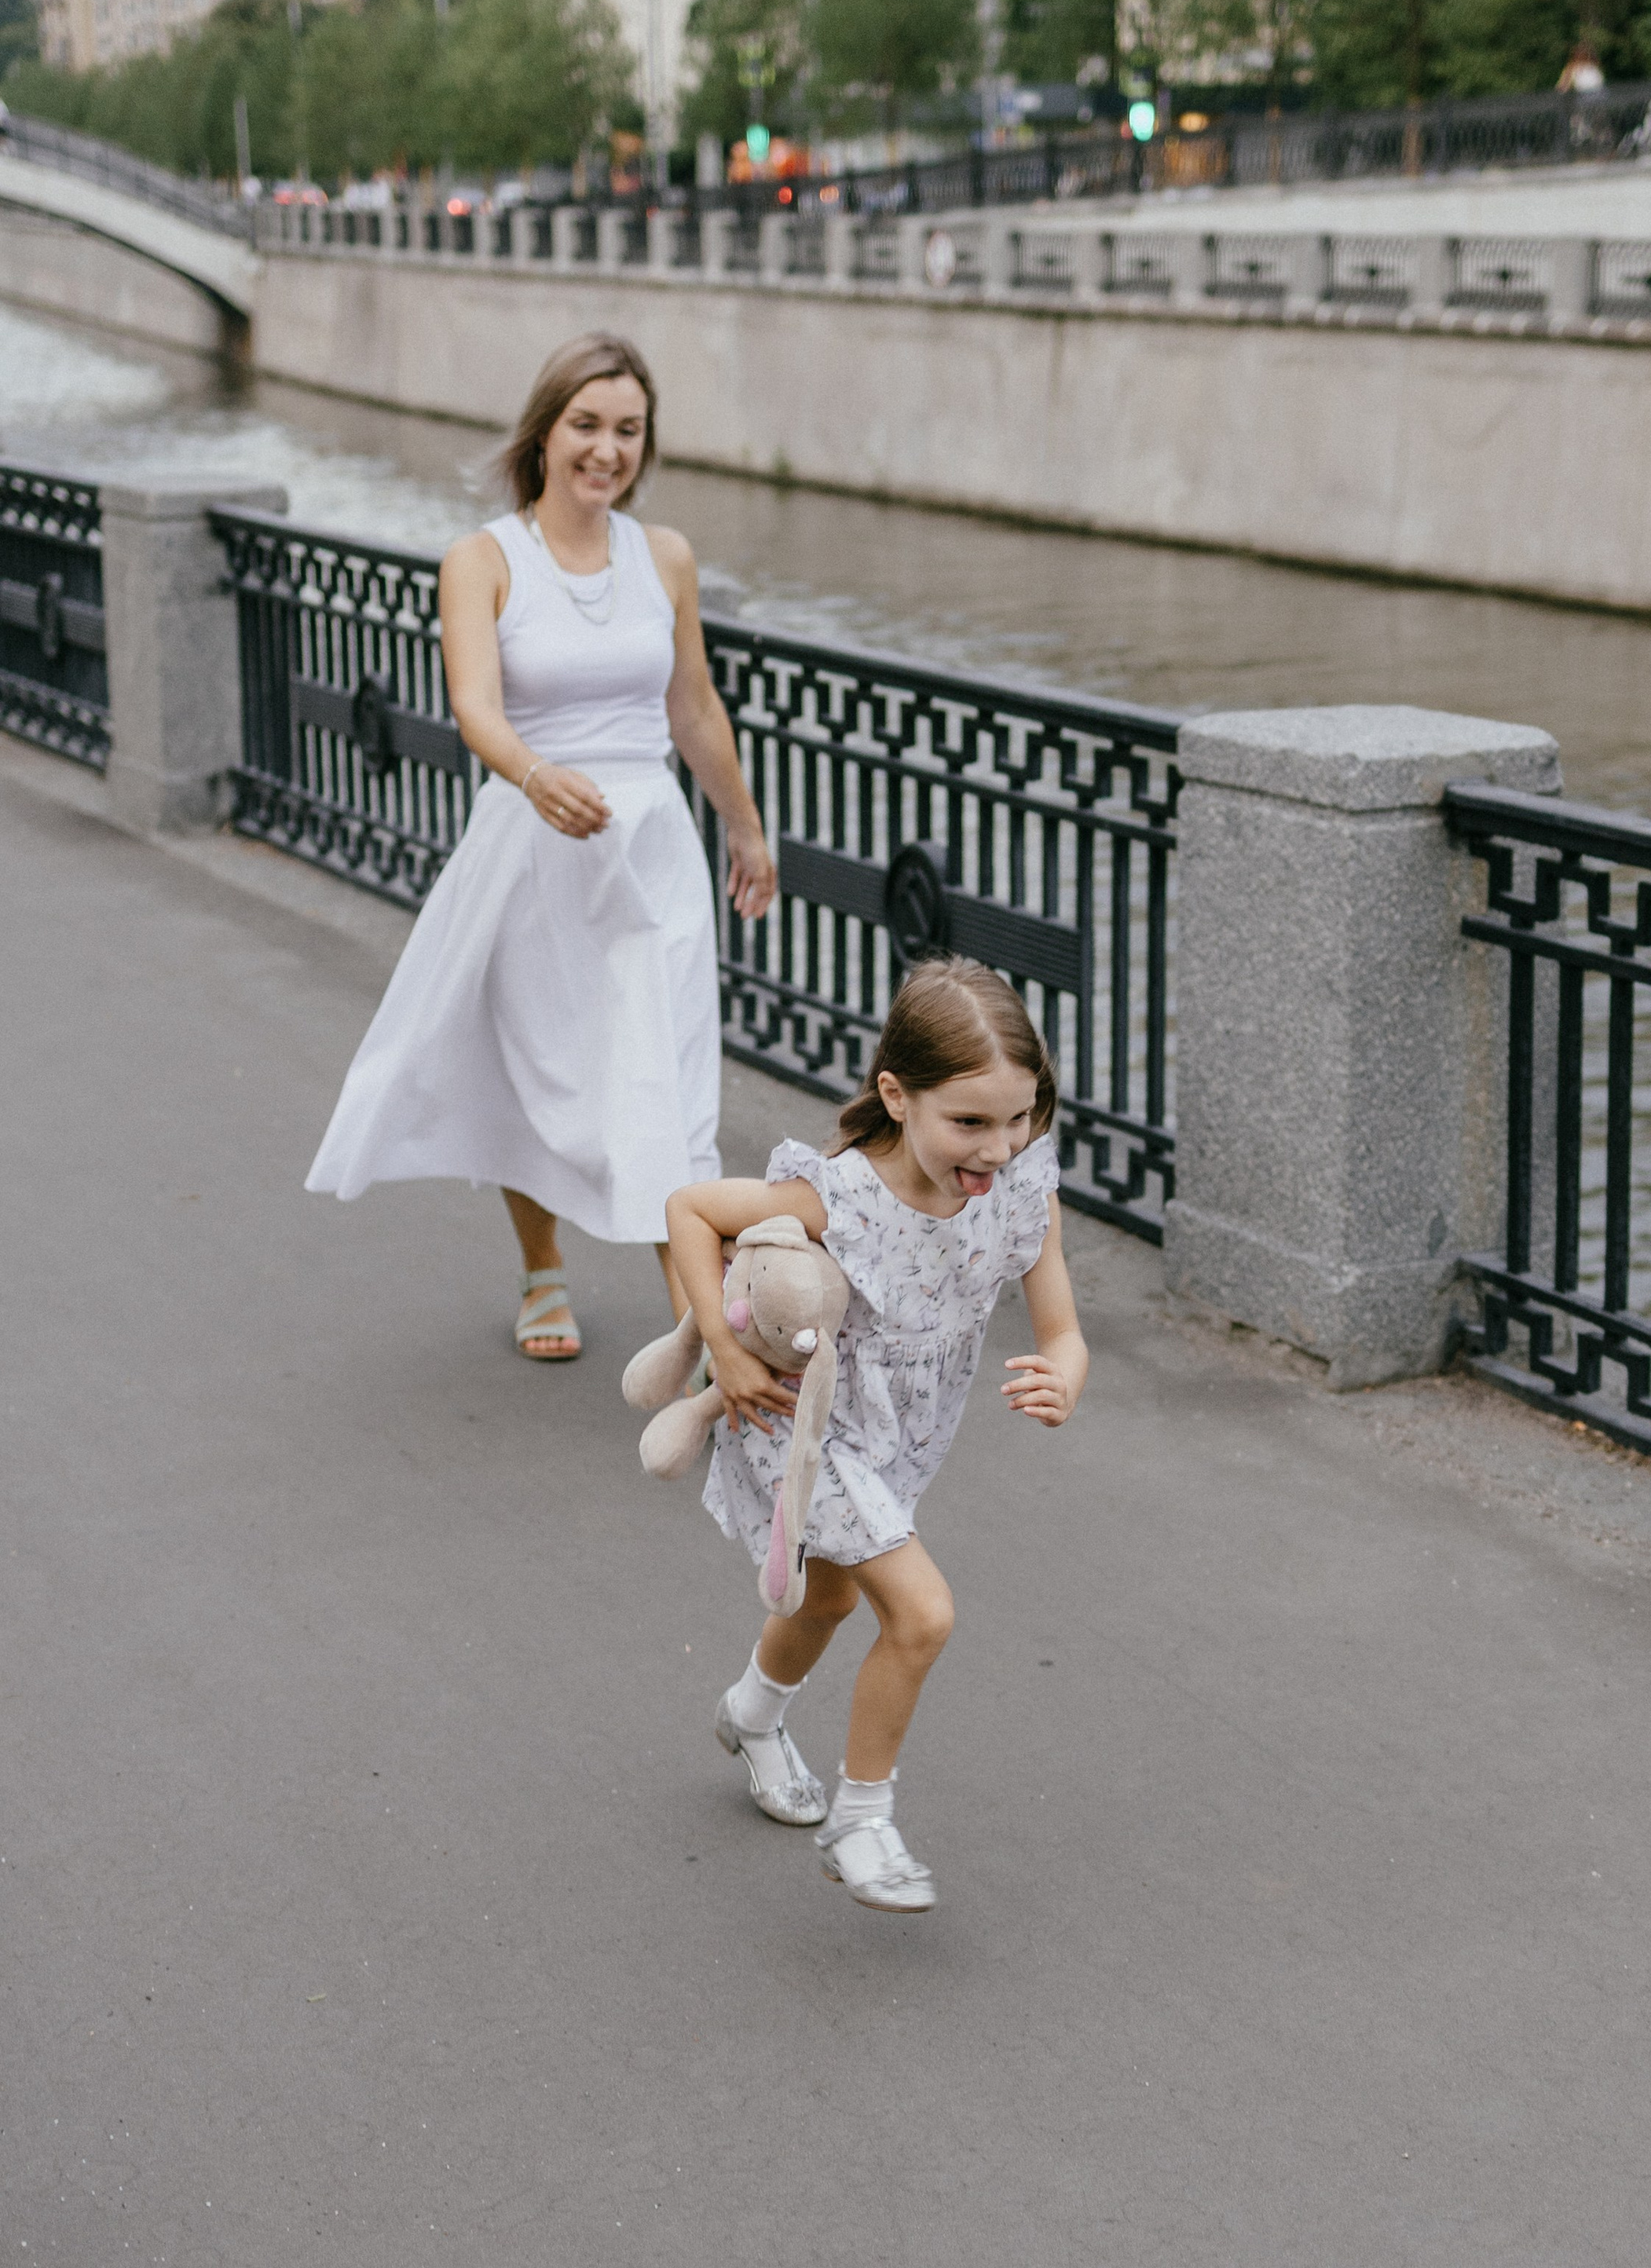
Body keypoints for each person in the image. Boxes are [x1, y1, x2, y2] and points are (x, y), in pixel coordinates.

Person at [307, 331, 776, 1359]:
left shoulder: (666, 557)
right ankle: (544, 1270)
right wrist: (532, 774)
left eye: (628, 431)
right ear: (545, 431)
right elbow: (474, 705)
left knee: (668, 1076)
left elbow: (693, 707)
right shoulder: (483, 560)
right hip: (538, 849)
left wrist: (744, 826)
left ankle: (703, 1329)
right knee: (543, 1075)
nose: (606, 450)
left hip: (650, 851)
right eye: (587, 426)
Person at [664, 957, 1089, 1915]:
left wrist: (1064, 1372)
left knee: (828, 1600)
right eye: (970, 1122)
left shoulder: (1019, 1188)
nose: (999, 1146)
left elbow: (1061, 1326)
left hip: (900, 1435)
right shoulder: (840, 1198)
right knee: (922, 1612)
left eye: (1018, 1118)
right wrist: (728, 1362)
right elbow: (690, 1211)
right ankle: (862, 1818)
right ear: (896, 1096)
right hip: (807, 1427)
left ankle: (751, 1716)